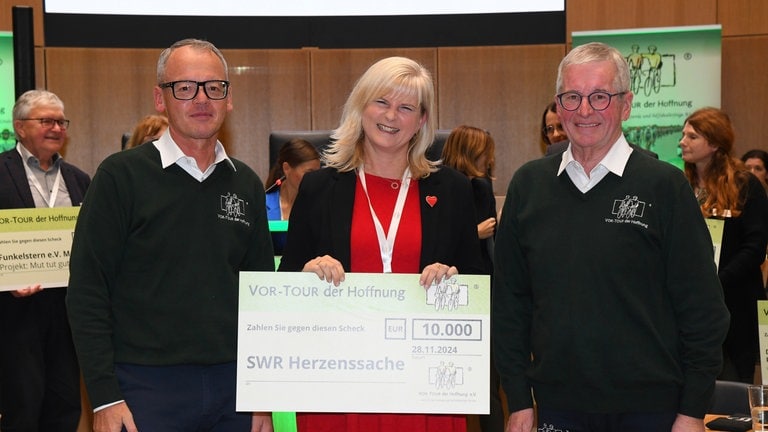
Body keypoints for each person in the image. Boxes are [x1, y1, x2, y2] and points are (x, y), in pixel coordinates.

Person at [493, 42, 729, 432]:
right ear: (558, 103)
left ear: (626, 104)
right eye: (572, 97)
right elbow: (510, 306)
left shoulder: (665, 187)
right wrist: (518, 400)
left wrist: (692, 411)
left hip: (654, 411)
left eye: (600, 96)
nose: (584, 111)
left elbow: (703, 310)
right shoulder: (528, 186)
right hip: (557, 408)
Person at [66, 38, 275, 432]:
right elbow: (88, 290)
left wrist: (260, 396)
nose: (202, 99)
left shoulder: (245, 182)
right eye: (185, 87)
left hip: (234, 391)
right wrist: (104, 395)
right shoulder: (120, 176)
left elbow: (259, 295)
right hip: (143, 387)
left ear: (228, 99)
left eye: (214, 87)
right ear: (160, 99)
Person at [278, 56, 483, 432]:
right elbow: (286, 281)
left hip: (425, 389)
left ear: (422, 120)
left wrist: (454, 280)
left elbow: (480, 284)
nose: (391, 115)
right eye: (382, 102)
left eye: (406, 107)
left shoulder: (452, 189)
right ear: (361, 106)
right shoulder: (320, 188)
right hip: (337, 386)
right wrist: (307, 273)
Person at [0, 89, 89, 431]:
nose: (56, 128)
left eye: (61, 121)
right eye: (46, 121)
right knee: (22, 408)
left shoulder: (80, 181)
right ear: (20, 127)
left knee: (65, 407)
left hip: (67, 311)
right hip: (16, 313)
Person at [680, 107, 768, 384]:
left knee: (734, 388)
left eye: (692, 136)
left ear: (715, 143)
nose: (682, 141)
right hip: (690, 306)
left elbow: (755, 247)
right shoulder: (680, 185)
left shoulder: (746, 185)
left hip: (736, 304)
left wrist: (717, 280)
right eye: (683, 135)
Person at [440, 125, 503, 432]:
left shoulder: (437, 187)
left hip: (447, 295)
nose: (489, 158)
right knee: (487, 384)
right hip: (481, 292)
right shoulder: (477, 187)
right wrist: (473, 233)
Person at [264, 138, 321, 255]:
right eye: (309, 172)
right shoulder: (262, 205)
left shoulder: (320, 206)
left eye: (318, 173)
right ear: (287, 168)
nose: (315, 178)